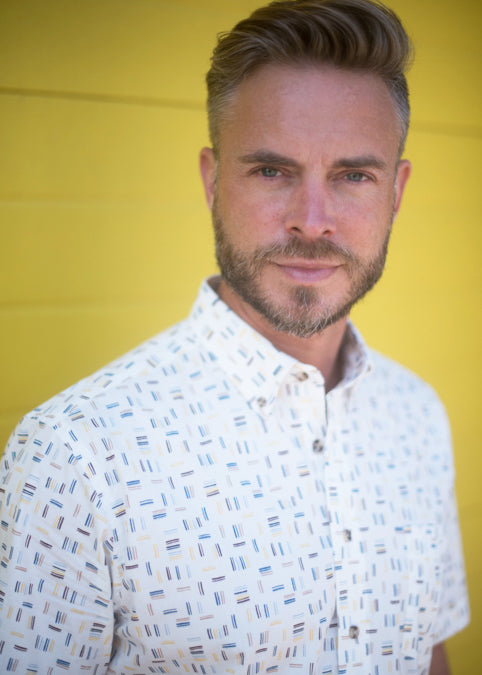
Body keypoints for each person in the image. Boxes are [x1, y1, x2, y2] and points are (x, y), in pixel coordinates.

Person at [0, 0, 469, 673]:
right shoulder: (73, 458)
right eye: (272, 171)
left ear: (395, 192)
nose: (313, 220)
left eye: (353, 175)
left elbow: (429, 652)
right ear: (212, 180)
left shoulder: (418, 414)